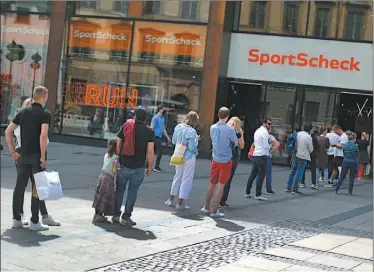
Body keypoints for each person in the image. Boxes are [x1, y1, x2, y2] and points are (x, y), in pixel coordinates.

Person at [5, 86, 60, 231]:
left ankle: (16, 219)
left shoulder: (23, 112)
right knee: (38, 187)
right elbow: (43, 136)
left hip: (23, 155)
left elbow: (8, 131)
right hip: (37, 156)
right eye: (46, 97)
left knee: (19, 186)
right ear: (42, 97)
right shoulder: (45, 113)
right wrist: (42, 157)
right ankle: (35, 221)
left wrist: (12, 151)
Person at [113, 106, 155, 226]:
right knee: (133, 192)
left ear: (135, 116)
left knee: (119, 190)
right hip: (139, 167)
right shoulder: (149, 131)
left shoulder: (127, 125)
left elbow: (118, 142)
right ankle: (126, 217)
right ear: (145, 118)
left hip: (124, 164)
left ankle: (116, 215)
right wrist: (150, 166)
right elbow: (150, 151)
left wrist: (119, 155)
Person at [201, 107, 238, 218]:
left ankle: (206, 207)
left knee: (211, 184)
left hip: (215, 159)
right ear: (227, 116)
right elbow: (235, 142)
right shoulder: (229, 130)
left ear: (218, 115)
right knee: (221, 186)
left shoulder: (212, 127)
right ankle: (215, 211)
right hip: (226, 160)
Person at [165, 111, 200, 210]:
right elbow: (192, 147)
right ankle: (180, 203)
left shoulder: (178, 127)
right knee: (187, 178)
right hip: (189, 156)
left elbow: (174, 141)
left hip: (178, 154)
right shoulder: (192, 131)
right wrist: (196, 140)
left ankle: (170, 199)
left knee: (177, 176)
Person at [219, 117, 244, 207]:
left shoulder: (223, 130)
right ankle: (222, 201)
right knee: (227, 180)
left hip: (221, 157)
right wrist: (241, 134)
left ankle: (217, 200)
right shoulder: (237, 133)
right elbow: (242, 146)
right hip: (232, 158)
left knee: (220, 179)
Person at [245, 117, 272, 200]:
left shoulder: (257, 131)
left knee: (253, 174)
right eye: (269, 124)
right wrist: (270, 145)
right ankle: (258, 194)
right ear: (264, 123)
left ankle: (247, 192)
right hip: (262, 155)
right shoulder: (265, 132)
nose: (270, 126)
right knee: (261, 175)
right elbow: (265, 145)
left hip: (256, 154)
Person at [92, 139, 119, 223]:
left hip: (102, 176)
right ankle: (99, 216)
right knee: (105, 196)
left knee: (100, 194)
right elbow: (114, 171)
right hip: (108, 178)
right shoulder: (116, 157)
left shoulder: (106, 154)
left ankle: (96, 214)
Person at [286, 124, 313, 195]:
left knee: (293, 171)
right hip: (303, 156)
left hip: (295, 154)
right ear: (310, 129)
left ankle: (288, 187)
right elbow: (311, 149)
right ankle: (294, 189)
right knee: (299, 172)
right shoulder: (308, 137)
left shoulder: (297, 134)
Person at [254, 126, 280, 195]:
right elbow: (277, 144)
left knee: (259, 173)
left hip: (259, 155)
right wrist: (272, 150)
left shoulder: (259, 134)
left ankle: (258, 188)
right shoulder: (270, 136)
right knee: (268, 174)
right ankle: (268, 189)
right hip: (267, 156)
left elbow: (254, 144)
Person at [151, 104, 171, 173]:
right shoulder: (155, 117)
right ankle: (156, 167)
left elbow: (163, 129)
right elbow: (152, 127)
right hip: (155, 136)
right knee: (160, 151)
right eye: (163, 109)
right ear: (160, 109)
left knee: (153, 151)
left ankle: (148, 165)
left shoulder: (162, 118)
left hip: (159, 136)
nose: (164, 110)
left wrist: (167, 137)